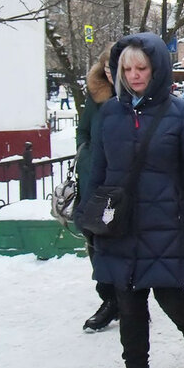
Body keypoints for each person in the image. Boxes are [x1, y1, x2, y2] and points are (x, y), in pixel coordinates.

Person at [76, 32, 184, 368]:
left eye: (141, 67)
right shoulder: (110, 114)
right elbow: (99, 170)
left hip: (166, 221)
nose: (134, 75)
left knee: (168, 292)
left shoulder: (181, 113)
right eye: (127, 68)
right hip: (121, 224)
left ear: (156, 69)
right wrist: (87, 215)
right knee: (128, 301)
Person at [77, 44, 118, 333]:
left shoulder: (139, 98)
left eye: (112, 68)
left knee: (118, 240)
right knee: (93, 238)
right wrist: (86, 158)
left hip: (120, 183)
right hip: (93, 180)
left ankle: (127, 299)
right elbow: (83, 131)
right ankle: (110, 299)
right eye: (104, 68)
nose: (109, 73)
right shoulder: (96, 96)